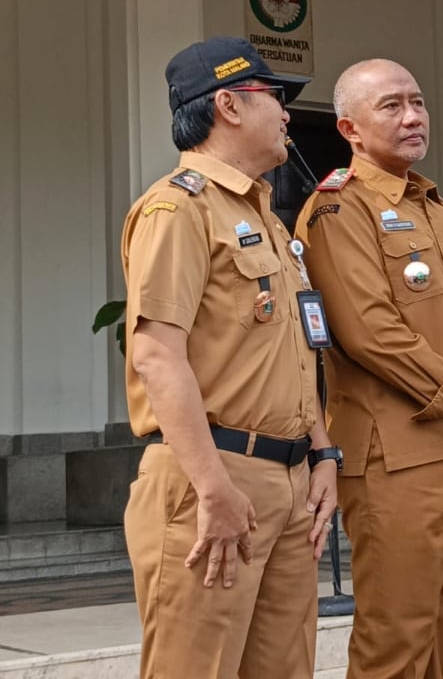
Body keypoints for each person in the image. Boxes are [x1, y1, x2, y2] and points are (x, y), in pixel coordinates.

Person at [294, 59, 443, 679]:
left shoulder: (436, 208)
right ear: (349, 127)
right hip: (398, 457)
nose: (413, 116)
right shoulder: (337, 210)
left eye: (417, 101)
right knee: (395, 641)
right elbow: (369, 332)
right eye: (390, 106)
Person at [122, 36, 340, 678]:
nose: (286, 115)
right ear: (228, 105)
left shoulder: (267, 217)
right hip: (212, 477)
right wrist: (211, 486)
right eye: (275, 97)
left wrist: (322, 452)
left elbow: (296, 348)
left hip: (289, 482)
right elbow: (157, 356)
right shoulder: (176, 209)